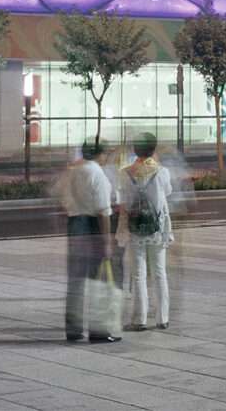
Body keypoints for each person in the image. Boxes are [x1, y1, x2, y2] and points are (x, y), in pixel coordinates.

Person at [53, 138, 122, 343]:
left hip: (74, 225)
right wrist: (107, 241)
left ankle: (73, 329)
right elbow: (103, 211)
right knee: (97, 280)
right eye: (105, 153)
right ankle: (98, 331)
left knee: (75, 281)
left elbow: (61, 198)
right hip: (92, 226)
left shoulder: (72, 171)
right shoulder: (96, 173)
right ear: (100, 154)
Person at [120, 134, 175, 332]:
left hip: (135, 228)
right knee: (160, 272)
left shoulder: (126, 173)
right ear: (153, 150)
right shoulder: (162, 172)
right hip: (157, 228)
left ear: (135, 150)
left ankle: (139, 319)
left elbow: (123, 200)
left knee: (138, 274)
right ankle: (163, 318)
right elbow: (167, 193)